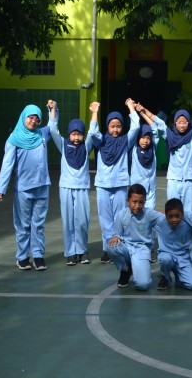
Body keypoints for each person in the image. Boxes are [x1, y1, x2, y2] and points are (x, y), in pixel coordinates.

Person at [0, 102, 55, 271]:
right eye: (31, 117)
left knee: (39, 224)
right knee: (23, 224)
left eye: (37, 119)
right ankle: (22, 257)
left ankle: (38, 256)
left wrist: (52, 109)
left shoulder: (42, 134)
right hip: (23, 188)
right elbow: (7, 164)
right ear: (24, 117)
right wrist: (1, 187)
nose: (34, 121)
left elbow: (52, 125)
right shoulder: (14, 139)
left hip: (42, 186)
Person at [49, 101, 100, 265]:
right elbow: (53, 130)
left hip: (82, 188)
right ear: (69, 134)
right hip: (65, 187)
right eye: (73, 134)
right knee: (68, 222)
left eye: (79, 134)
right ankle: (70, 253)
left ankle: (82, 251)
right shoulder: (63, 144)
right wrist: (53, 110)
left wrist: (94, 112)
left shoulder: (86, 145)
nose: (76, 138)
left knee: (82, 221)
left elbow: (93, 131)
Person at [92, 98, 140, 264]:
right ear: (107, 126)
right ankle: (108, 249)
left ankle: (119, 247)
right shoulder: (101, 141)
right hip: (103, 185)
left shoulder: (125, 141)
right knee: (105, 219)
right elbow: (93, 132)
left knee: (120, 218)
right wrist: (95, 112)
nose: (115, 129)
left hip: (120, 185)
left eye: (118, 126)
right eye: (112, 126)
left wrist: (131, 107)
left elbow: (136, 127)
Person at [107, 184, 159, 290]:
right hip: (127, 248)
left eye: (141, 202)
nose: (137, 206)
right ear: (128, 201)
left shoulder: (149, 214)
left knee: (143, 285)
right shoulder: (121, 215)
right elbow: (117, 234)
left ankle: (136, 266)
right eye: (134, 202)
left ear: (145, 202)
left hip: (142, 249)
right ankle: (125, 269)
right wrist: (115, 236)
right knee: (111, 246)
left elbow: (165, 217)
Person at [160, 102, 192, 212]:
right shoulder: (170, 136)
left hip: (188, 181)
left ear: (188, 122)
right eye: (179, 122)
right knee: (172, 211)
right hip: (173, 179)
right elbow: (159, 124)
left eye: (184, 122)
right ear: (175, 123)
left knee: (188, 212)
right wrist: (143, 111)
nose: (182, 125)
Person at [155, 198, 192, 291]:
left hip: (183, 258)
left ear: (183, 214)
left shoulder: (189, 224)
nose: (174, 219)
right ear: (166, 216)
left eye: (177, 216)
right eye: (170, 217)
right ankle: (165, 277)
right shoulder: (160, 223)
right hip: (167, 255)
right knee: (165, 259)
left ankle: (179, 279)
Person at [129, 104, 160, 211]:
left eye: (148, 138)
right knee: (136, 212)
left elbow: (154, 128)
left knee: (150, 213)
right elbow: (134, 128)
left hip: (150, 188)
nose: (145, 141)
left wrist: (142, 113)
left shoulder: (153, 148)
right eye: (142, 137)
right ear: (138, 138)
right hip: (137, 189)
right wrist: (131, 108)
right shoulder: (134, 148)